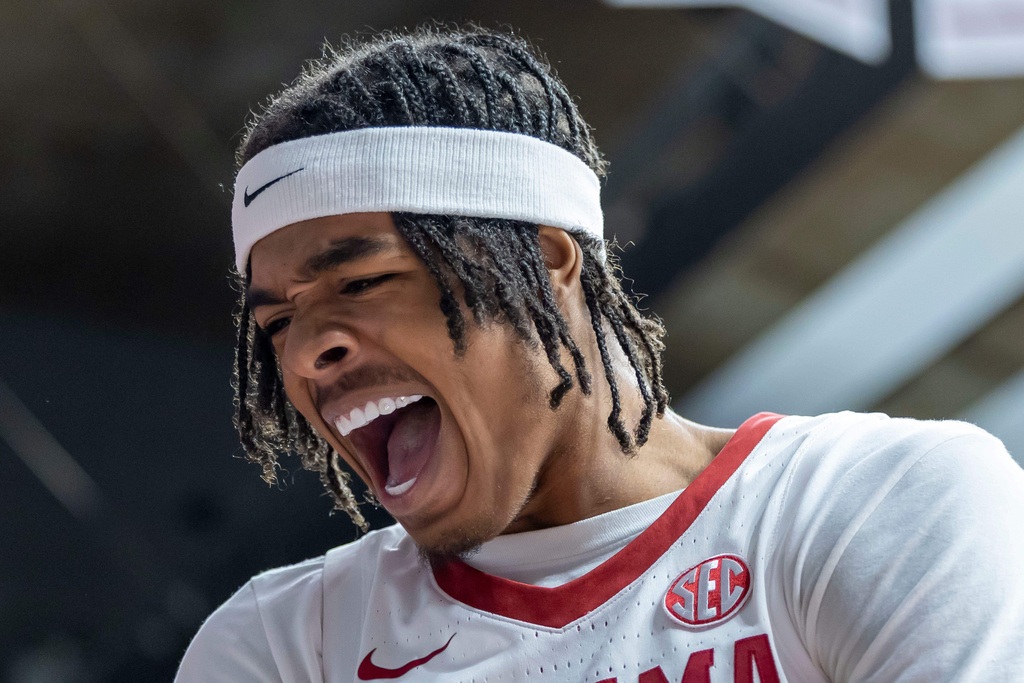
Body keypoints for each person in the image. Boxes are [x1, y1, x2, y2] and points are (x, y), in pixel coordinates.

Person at [176, 27, 1024, 682]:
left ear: (548, 260)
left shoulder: (870, 505)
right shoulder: (285, 645)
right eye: (277, 322)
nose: (307, 352)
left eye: (362, 281)